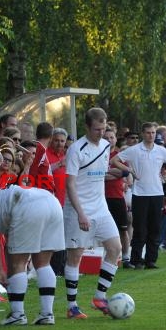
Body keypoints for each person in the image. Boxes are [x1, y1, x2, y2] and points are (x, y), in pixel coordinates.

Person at [0, 186, 64, 325]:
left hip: (28, 205)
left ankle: (17, 315)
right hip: (52, 202)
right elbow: (8, 238)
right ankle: (47, 313)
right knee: (43, 263)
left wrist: (0, 270)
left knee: (17, 265)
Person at [63, 107, 122, 319]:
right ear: (87, 126)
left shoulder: (106, 145)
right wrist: (80, 214)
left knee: (115, 248)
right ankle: (72, 306)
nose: (101, 133)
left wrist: (121, 172)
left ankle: (99, 297)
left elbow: (98, 175)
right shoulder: (76, 149)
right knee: (75, 256)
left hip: (101, 208)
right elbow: (70, 184)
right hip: (78, 209)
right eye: (97, 129)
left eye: (104, 129)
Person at [111, 122, 166, 269]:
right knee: (140, 228)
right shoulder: (134, 150)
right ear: (143, 134)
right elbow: (114, 160)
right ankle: (136, 260)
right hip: (139, 194)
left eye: (153, 133)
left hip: (157, 193)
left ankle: (151, 260)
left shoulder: (160, 150)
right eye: (148, 133)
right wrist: (129, 170)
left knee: (155, 228)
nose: (151, 135)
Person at [103, 128, 132, 268]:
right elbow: (97, 175)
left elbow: (124, 173)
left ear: (115, 139)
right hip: (102, 198)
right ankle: (106, 258)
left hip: (117, 197)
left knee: (123, 229)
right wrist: (112, 173)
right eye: (106, 137)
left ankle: (126, 257)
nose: (109, 140)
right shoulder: (99, 154)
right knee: (104, 231)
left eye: (111, 137)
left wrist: (106, 173)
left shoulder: (120, 156)